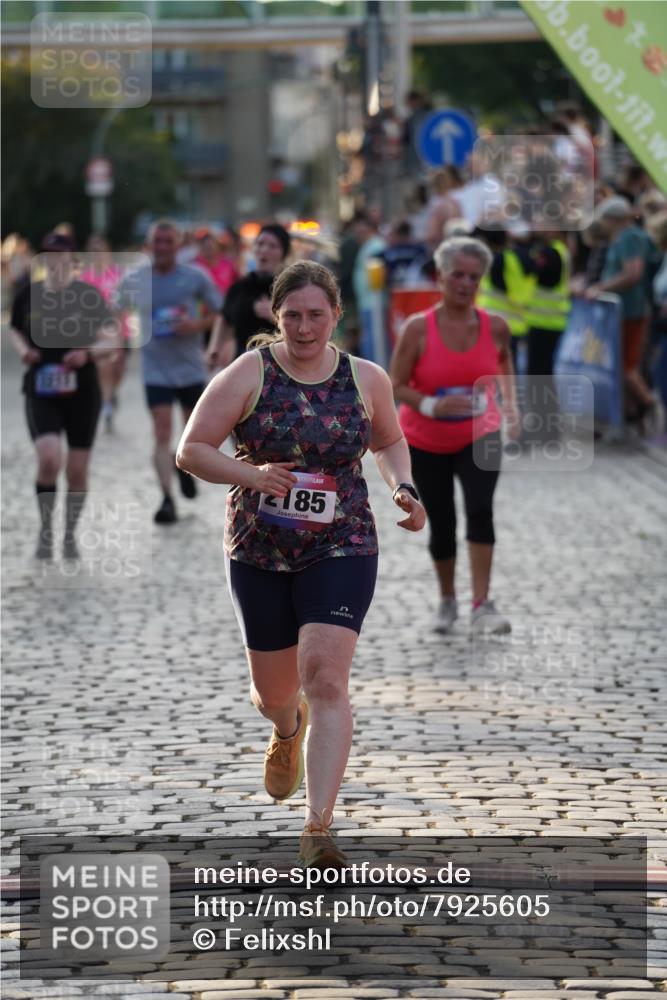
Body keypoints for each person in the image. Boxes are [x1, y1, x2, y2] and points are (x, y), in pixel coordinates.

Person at [176, 260, 425, 866]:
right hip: (259, 548)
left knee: (326, 675)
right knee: (275, 692)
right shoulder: (249, 373)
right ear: (275, 314)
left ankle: (318, 828)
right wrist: (253, 475)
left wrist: (403, 488)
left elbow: (389, 440)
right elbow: (192, 450)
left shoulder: (365, 378)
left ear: (336, 315)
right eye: (293, 316)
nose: (305, 327)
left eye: (316, 315)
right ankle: (287, 729)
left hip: (342, 541)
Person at [390, 236, 520, 635]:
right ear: (440, 277)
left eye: (474, 277)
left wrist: (511, 409)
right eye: (457, 275)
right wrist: (431, 405)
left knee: (480, 509)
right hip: (426, 439)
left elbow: (505, 366)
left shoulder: (495, 326)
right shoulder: (418, 329)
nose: (465, 283)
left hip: (481, 433)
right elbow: (394, 384)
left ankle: (482, 603)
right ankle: (448, 600)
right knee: (442, 521)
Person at [9, 231, 117, 560]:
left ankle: (69, 533)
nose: (54, 261)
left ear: (72, 262)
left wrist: (86, 354)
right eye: (48, 255)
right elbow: (14, 327)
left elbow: (111, 341)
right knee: (49, 457)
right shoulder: (28, 293)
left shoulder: (88, 296)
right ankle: (46, 530)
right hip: (41, 389)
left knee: (77, 471)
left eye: (61, 256)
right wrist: (23, 349)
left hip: (82, 391)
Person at [115, 220, 223, 524]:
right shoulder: (136, 278)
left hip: (190, 368)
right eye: (157, 242)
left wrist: (196, 326)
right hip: (155, 369)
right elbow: (114, 311)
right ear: (149, 245)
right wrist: (119, 348)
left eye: (168, 242)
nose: (162, 247)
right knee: (161, 431)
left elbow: (219, 312)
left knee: (194, 432)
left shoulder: (195, 276)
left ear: (178, 246)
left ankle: (181, 463)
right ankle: (166, 499)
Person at [585, 196, 654, 421]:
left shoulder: (629, 237)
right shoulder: (624, 237)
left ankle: (649, 406)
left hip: (630, 311)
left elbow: (633, 273)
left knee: (626, 366)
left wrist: (600, 287)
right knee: (621, 364)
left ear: (613, 219)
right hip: (623, 310)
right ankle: (630, 413)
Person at [206, 224, 291, 370]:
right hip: (242, 365)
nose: (264, 250)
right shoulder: (239, 287)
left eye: (272, 246)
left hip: (280, 367)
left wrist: (277, 318)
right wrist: (214, 348)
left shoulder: (290, 288)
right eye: (260, 244)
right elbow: (223, 317)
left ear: (283, 253)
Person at [80, 235, 128, 433]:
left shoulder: (118, 274)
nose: (96, 254)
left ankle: (111, 392)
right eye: (93, 250)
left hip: (121, 329)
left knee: (119, 370)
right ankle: (106, 402)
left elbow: (127, 301)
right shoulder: (85, 277)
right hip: (98, 331)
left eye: (99, 249)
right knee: (104, 366)